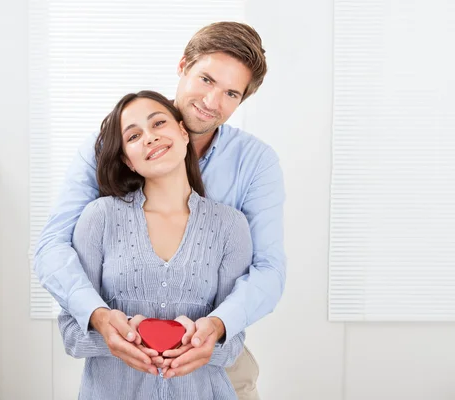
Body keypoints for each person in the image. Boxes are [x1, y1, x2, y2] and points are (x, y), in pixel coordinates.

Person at [34, 21, 286, 400]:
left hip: (217, 366)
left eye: (231, 93)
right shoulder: (107, 150)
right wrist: (99, 317)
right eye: (206, 79)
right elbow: (52, 247)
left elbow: (269, 269)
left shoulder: (255, 163)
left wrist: (218, 326)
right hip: (118, 373)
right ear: (183, 65)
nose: (212, 101)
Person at [58, 90, 252, 400]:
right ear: (127, 160)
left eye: (158, 123)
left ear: (183, 132)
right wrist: (119, 341)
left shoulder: (231, 225)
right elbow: (71, 332)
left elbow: (233, 342)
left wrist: (198, 345)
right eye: (133, 136)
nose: (149, 137)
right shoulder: (100, 218)